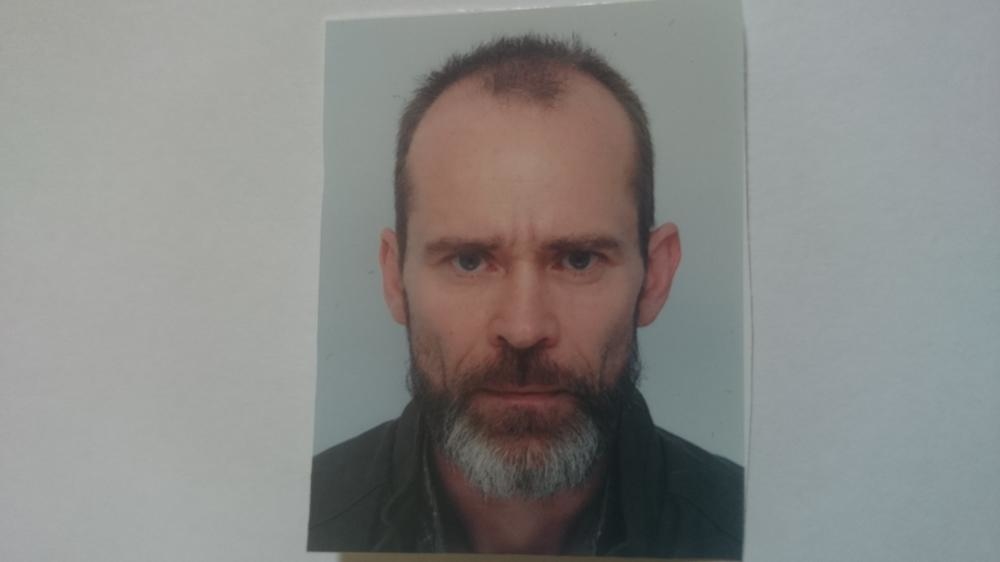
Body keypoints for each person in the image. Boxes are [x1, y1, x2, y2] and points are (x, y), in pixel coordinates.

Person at [308, 34, 743, 558]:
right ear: (394, 280)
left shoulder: (753, 529)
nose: (523, 328)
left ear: (655, 278)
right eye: (469, 260)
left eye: (578, 259)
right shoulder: (294, 518)